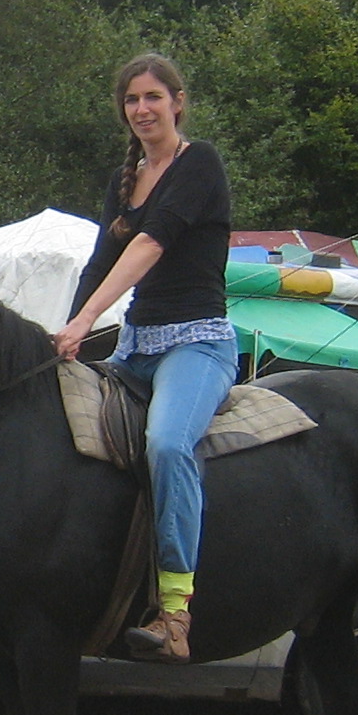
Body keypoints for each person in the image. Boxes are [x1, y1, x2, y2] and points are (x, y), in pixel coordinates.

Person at [52, 53, 237, 660]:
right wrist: (64, 333)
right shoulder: (123, 180)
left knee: (166, 445)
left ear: (178, 103)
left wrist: (86, 321)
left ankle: (176, 611)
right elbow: (101, 263)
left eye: (153, 97)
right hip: (135, 348)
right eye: (132, 100)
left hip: (197, 344)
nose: (142, 109)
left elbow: (150, 246)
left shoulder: (199, 163)